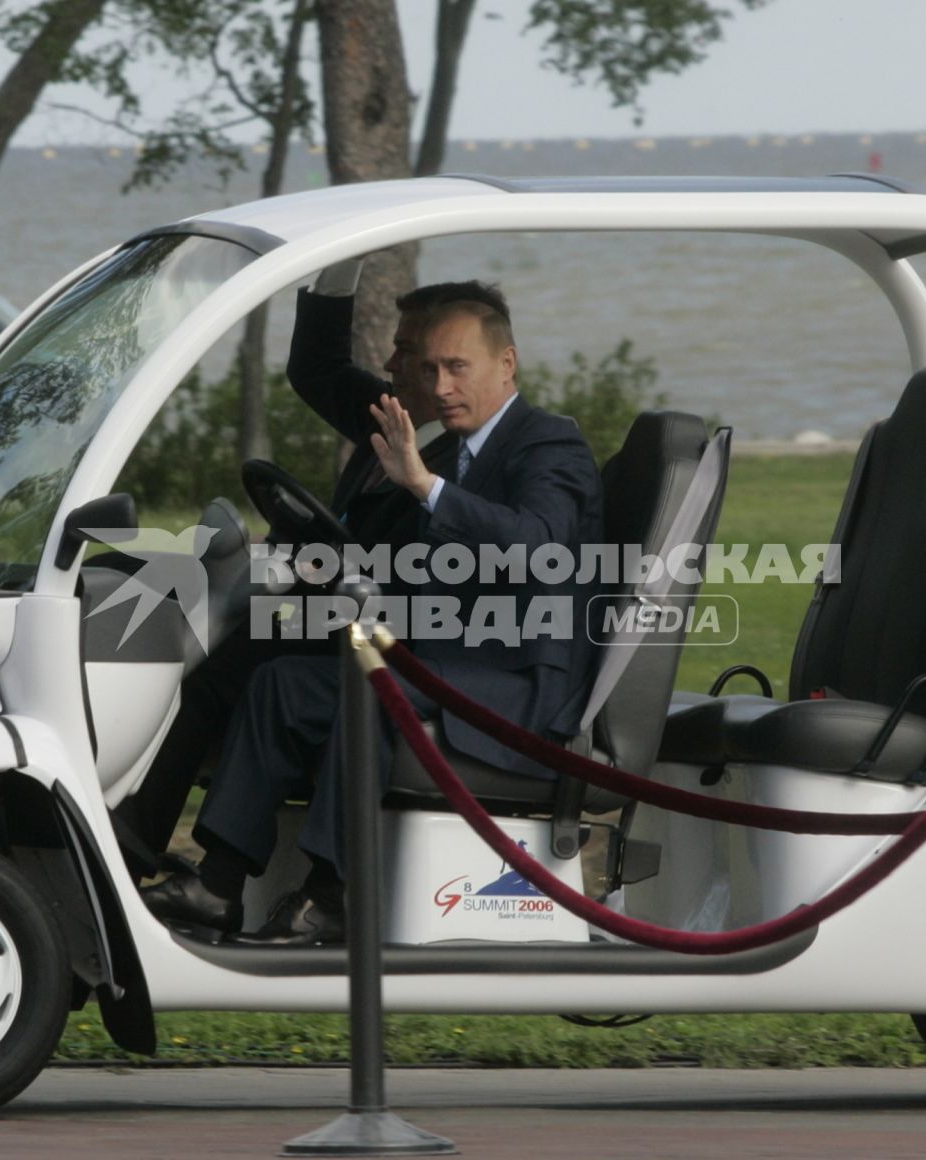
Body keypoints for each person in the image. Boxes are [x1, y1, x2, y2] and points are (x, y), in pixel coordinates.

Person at [141, 293, 604, 945]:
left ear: (507, 363)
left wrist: (424, 487)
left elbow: (541, 547)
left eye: (457, 367)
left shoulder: (549, 443)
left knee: (368, 684)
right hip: (445, 655)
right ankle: (218, 884)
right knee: (280, 679)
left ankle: (333, 894)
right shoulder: (450, 448)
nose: (440, 386)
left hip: (511, 684)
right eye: (429, 368)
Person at [108, 273, 502, 869]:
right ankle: (135, 833)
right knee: (182, 619)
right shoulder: (390, 420)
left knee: (233, 664)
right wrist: (341, 269)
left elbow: (425, 567)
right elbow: (316, 367)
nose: (393, 363)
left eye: (408, 351)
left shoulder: (470, 463)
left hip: (396, 635)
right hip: (344, 608)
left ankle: (141, 842)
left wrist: (315, 566)